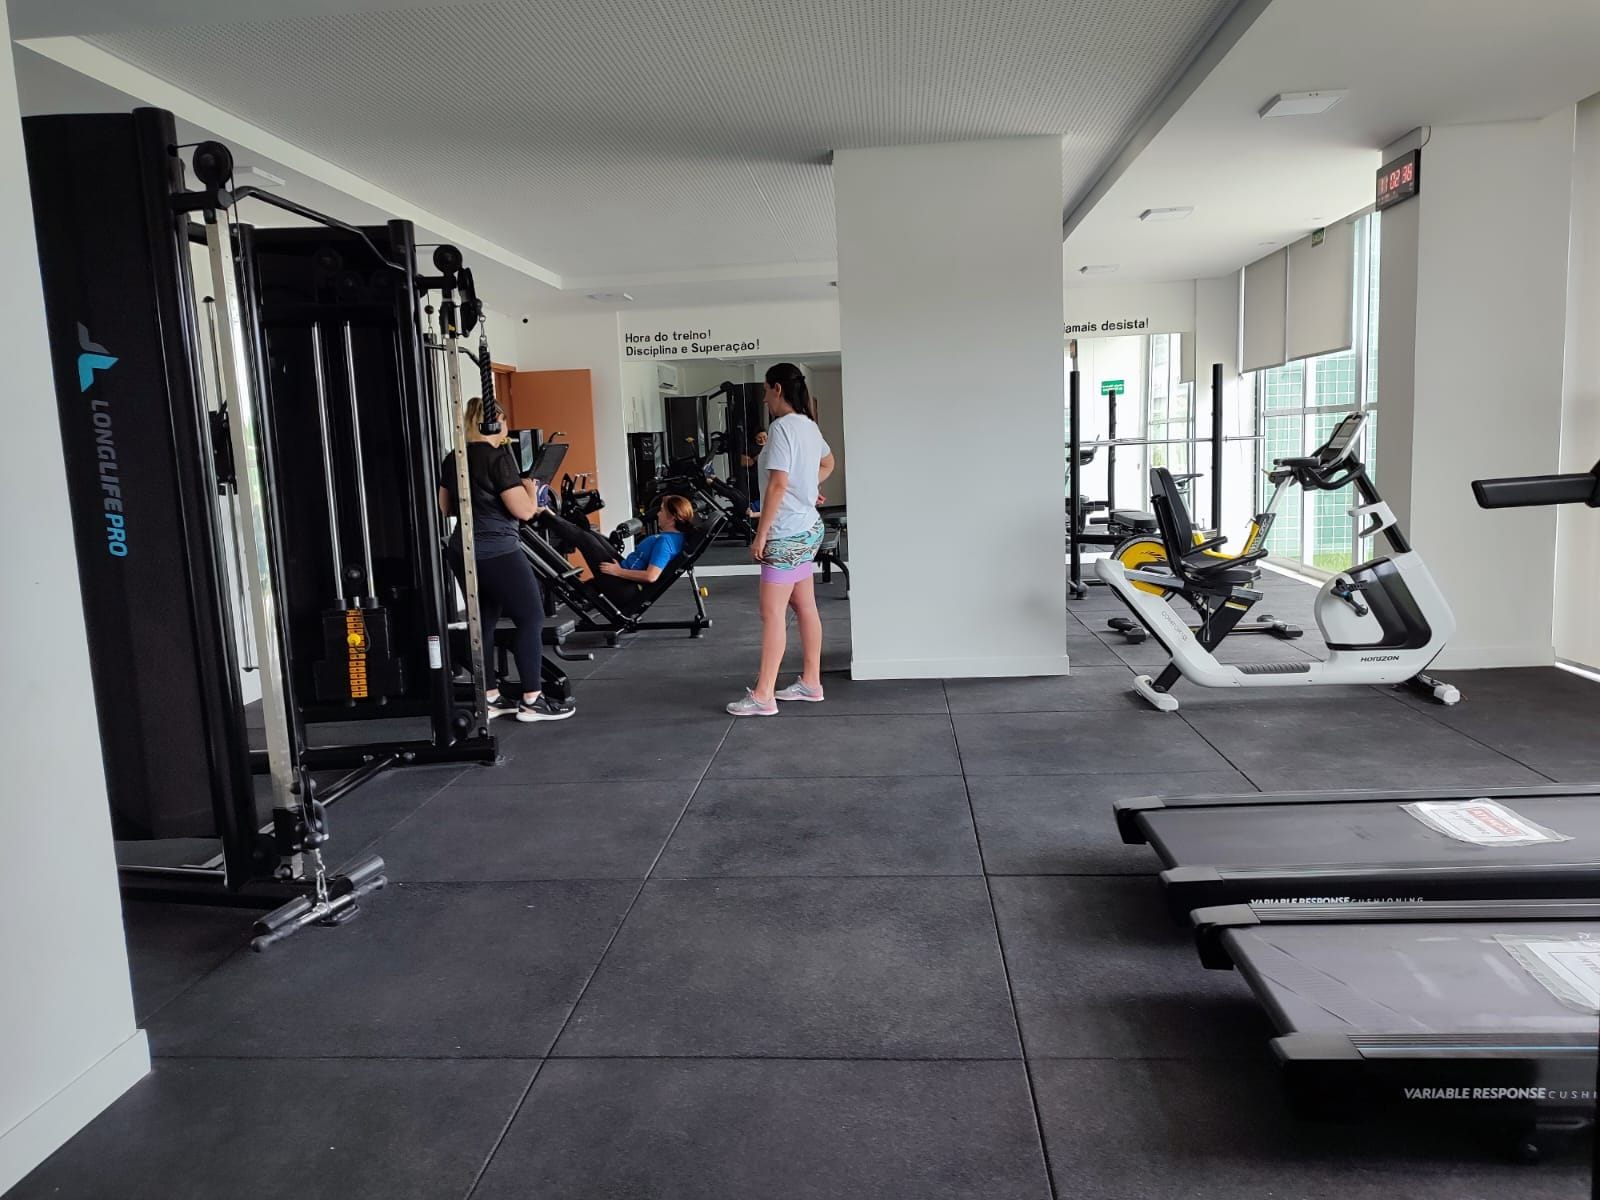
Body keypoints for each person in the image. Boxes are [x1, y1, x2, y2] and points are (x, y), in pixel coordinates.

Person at [439, 397, 574, 722]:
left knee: (483, 621)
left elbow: (445, 507)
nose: (505, 428)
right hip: (497, 550)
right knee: (531, 617)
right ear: (493, 422)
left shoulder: (453, 457)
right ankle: (532, 701)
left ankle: (490, 697)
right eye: (502, 421)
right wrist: (528, 487)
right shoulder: (497, 458)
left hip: (462, 549)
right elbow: (524, 511)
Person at [727, 363, 834, 716]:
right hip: (808, 528)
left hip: (786, 534)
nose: (764, 398)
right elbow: (828, 464)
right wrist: (808, 490)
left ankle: (763, 696)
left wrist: (761, 535)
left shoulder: (782, 427)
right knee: (804, 605)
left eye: (765, 390)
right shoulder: (809, 425)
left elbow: (777, 484)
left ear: (776, 388)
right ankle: (811, 683)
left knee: (771, 613)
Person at [536, 495, 698, 607]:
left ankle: (542, 513)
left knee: (585, 539)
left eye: (662, 511)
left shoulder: (665, 543)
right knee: (591, 534)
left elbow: (651, 576)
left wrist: (617, 571)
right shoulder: (676, 537)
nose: (658, 514)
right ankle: (550, 514)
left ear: (672, 518)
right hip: (623, 575)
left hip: (623, 587)